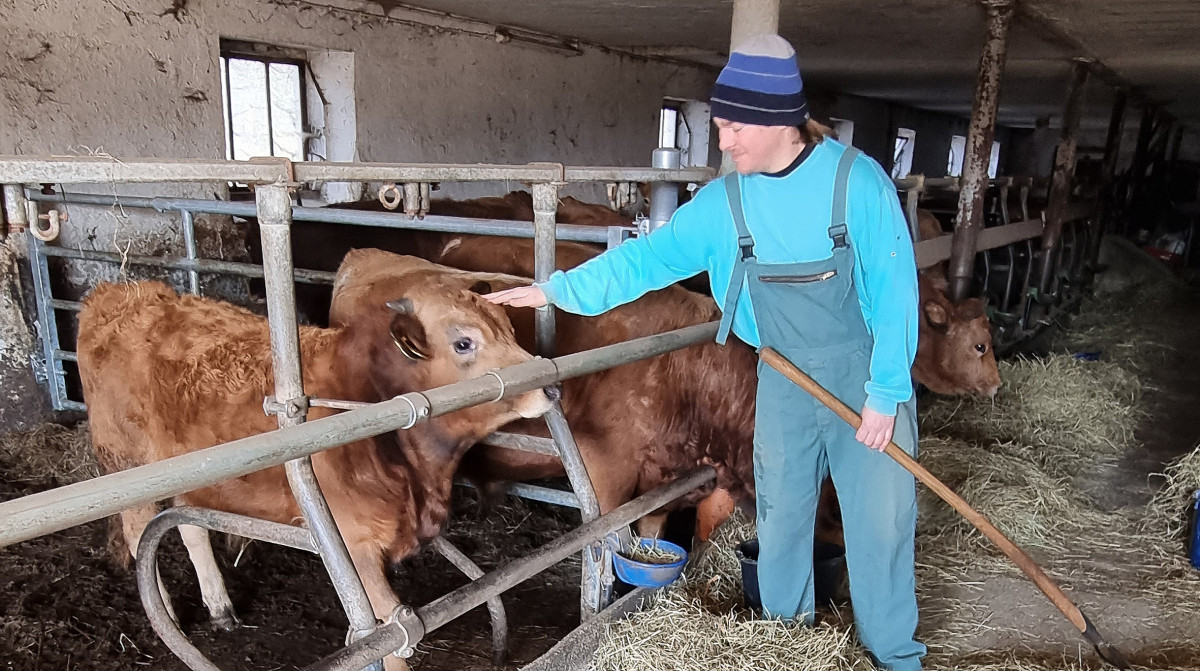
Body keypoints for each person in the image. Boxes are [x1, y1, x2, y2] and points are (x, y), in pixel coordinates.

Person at [486, 34, 925, 671]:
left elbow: (894, 293)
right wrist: (556, 290)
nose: (723, 141)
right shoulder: (727, 202)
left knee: (879, 525)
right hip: (777, 374)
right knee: (779, 521)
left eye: (733, 126)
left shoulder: (856, 184)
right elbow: (648, 260)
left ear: (778, 119)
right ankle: (788, 647)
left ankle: (896, 657)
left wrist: (885, 394)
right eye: (719, 125)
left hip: (863, 377)